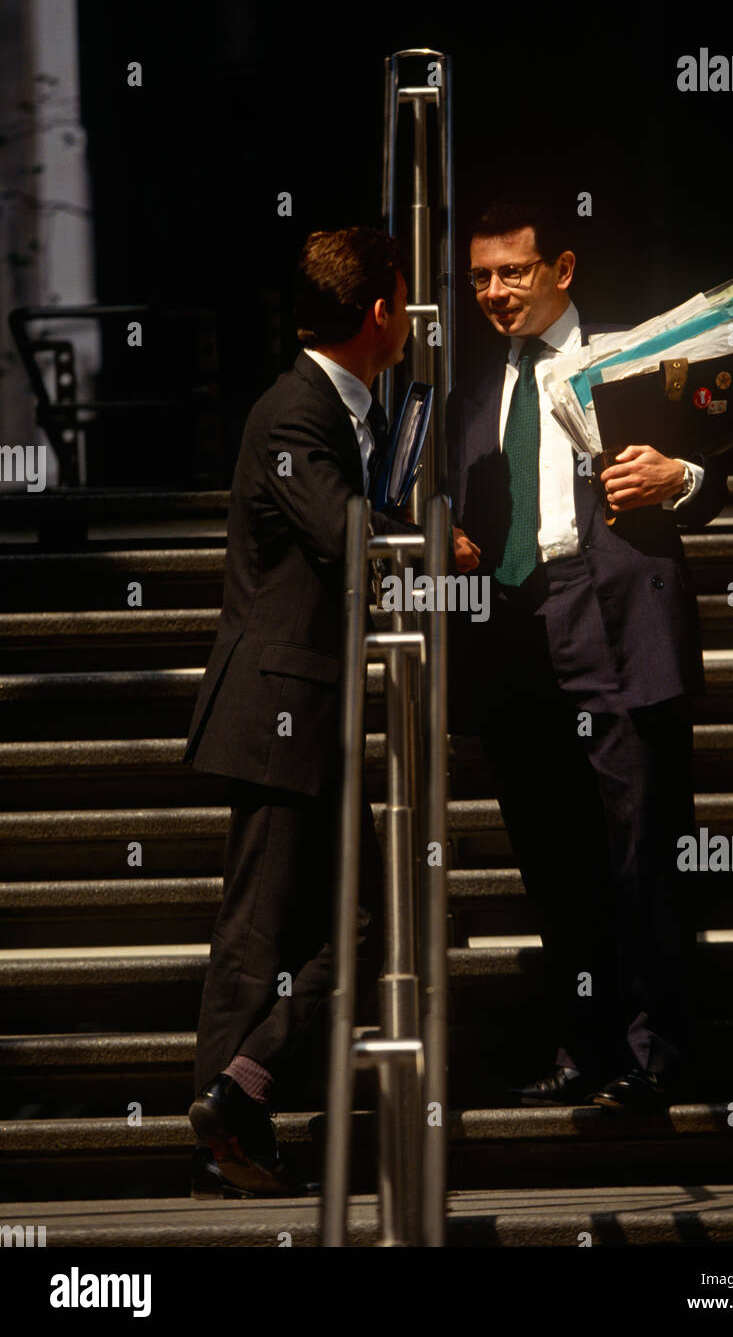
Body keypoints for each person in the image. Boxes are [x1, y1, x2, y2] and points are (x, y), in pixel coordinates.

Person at [444, 197, 728, 1113]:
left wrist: (676, 477)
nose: (494, 291)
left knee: (643, 848)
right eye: (480, 276)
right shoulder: (472, 397)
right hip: (521, 636)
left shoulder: (634, 357)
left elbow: (715, 467)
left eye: (512, 272)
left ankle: (657, 1056)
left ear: (559, 270)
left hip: (617, 622)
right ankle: (585, 1047)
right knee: (556, 861)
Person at [184, 226, 417, 1196]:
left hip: (304, 712)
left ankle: (239, 1093)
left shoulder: (342, 408)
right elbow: (342, 533)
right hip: (276, 711)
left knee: (366, 922)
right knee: (261, 931)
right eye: (406, 298)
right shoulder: (296, 411)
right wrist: (431, 540)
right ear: (382, 311)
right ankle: (223, 1132)